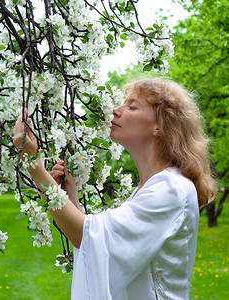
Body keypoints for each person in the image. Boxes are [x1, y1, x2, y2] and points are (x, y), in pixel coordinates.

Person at [13, 78, 218, 299]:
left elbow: (89, 237)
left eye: (131, 106)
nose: (115, 111)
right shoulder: (150, 188)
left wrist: (33, 164)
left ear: (159, 125)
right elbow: (99, 244)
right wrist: (71, 200)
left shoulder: (171, 189)